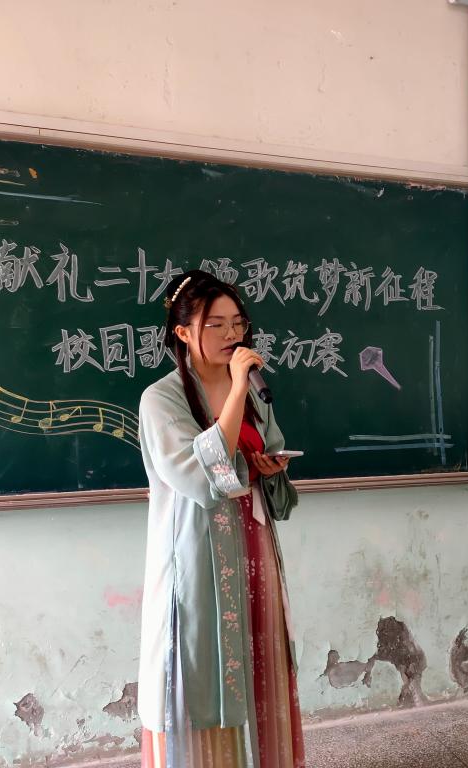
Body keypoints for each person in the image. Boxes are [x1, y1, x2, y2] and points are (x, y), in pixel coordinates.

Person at [137, 269, 304, 768]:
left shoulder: (252, 392)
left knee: (260, 661)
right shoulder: (161, 398)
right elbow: (197, 477)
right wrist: (234, 393)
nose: (233, 334)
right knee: (202, 667)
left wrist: (268, 468)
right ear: (183, 332)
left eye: (238, 323)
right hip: (196, 555)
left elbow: (264, 453)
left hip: (253, 545)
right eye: (216, 324)